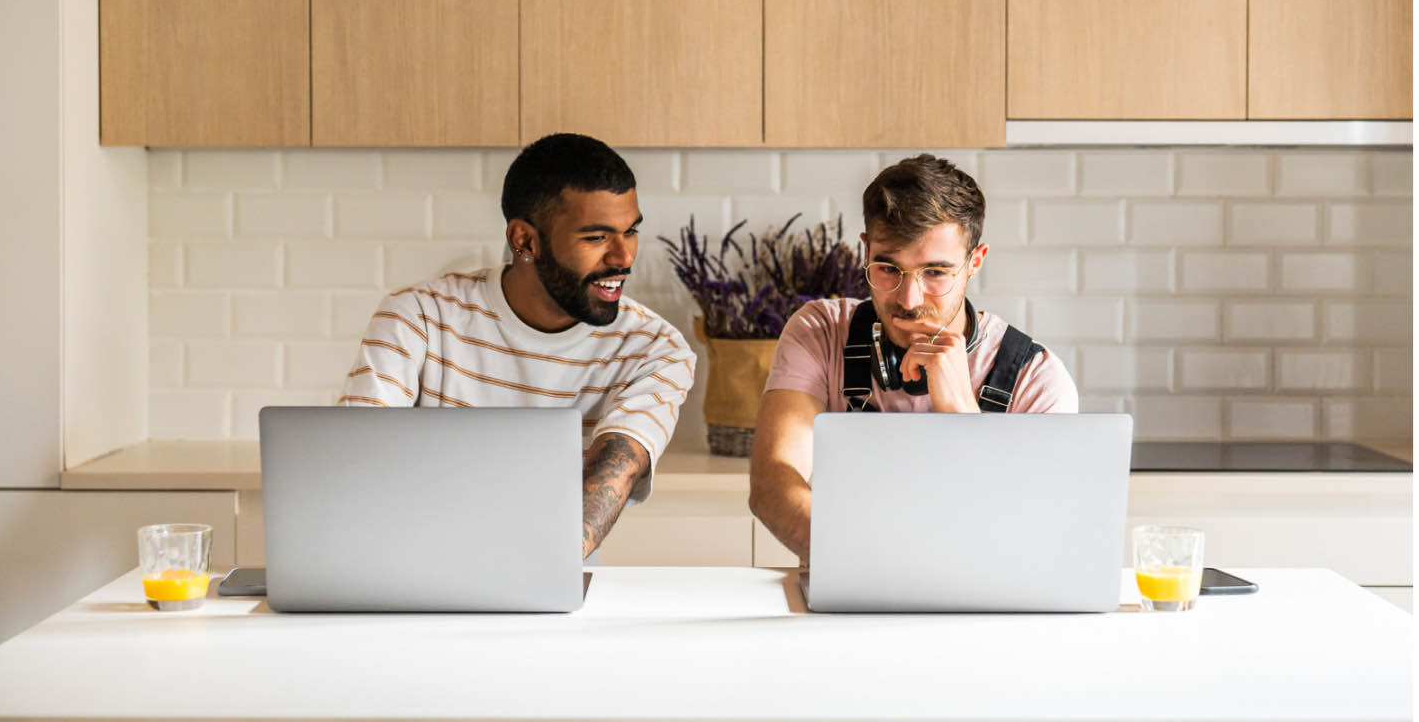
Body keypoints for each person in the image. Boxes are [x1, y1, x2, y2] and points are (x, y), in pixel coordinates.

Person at [340, 133, 696, 559]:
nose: (623, 257)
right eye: (596, 238)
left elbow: (614, 469)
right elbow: (355, 464)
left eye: (630, 231)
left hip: (554, 575)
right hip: (408, 572)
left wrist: (532, 572)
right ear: (525, 239)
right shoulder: (417, 317)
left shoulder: (655, 349)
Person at [748, 154, 1078, 563]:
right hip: (850, 589)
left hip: (987, 610)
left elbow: (1037, 532)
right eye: (888, 268)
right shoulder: (819, 332)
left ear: (974, 262)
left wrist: (962, 412)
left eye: (936, 272)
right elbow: (773, 483)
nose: (909, 299)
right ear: (865, 251)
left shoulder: (1037, 379)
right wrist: (881, 571)